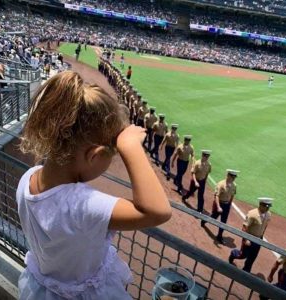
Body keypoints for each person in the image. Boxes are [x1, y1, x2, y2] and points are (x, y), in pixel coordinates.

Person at [17, 71, 171, 300]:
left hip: (41, 286)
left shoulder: (28, 178)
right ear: (94, 155)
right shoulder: (81, 204)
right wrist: (130, 146)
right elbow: (158, 211)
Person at [229, 197, 272, 272]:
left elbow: (265, 226)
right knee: (242, 255)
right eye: (266, 206)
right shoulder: (252, 214)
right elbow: (244, 227)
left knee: (252, 258)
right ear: (261, 205)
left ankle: (246, 270)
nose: (267, 208)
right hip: (249, 239)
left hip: (258, 239)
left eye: (269, 206)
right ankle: (233, 254)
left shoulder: (268, 214)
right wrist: (246, 239)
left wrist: (261, 236)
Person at [201, 169, 239, 244]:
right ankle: (204, 220)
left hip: (226, 205)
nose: (233, 178)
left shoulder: (234, 185)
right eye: (232, 176)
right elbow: (217, 196)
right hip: (219, 204)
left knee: (223, 222)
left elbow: (232, 195)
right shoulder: (221, 184)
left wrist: (229, 204)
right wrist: (218, 207)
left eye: (234, 177)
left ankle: (219, 236)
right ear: (228, 175)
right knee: (213, 217)